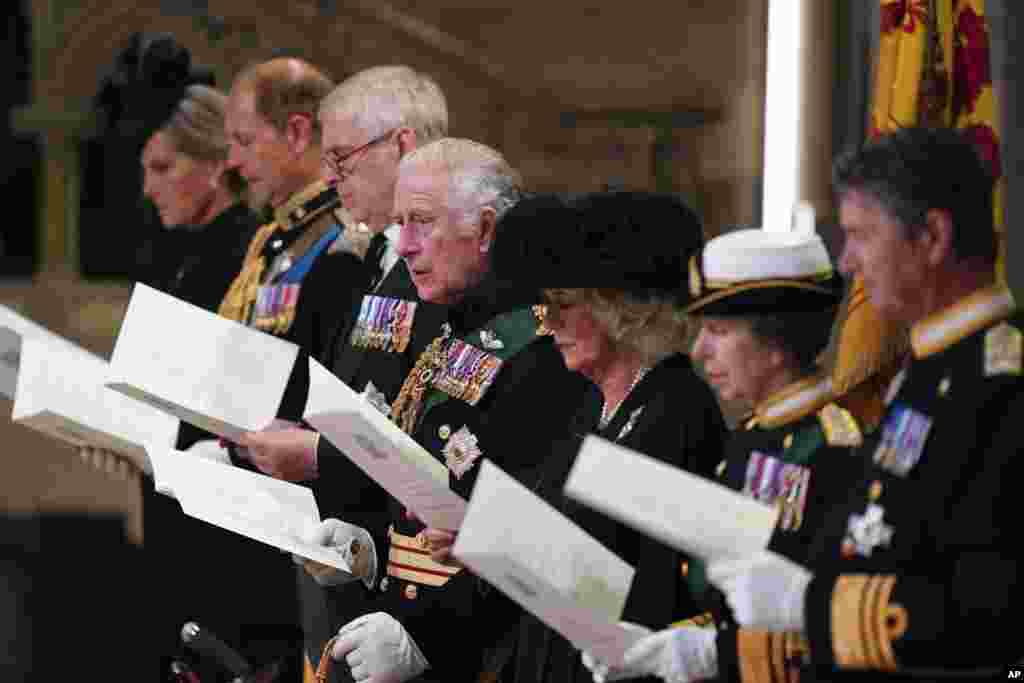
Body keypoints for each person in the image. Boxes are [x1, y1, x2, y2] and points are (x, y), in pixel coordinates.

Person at [638, 127, 1022, 682]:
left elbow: (996, 609)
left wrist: (809, 604)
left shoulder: (1004, 381)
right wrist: (712, 653)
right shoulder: (929, 370)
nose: (847, 263)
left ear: (932, 237)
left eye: (861, 236)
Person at [305, 138, 589, 682]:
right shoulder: (451, 330)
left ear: (485, 230)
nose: (404, 245)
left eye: (421, 222)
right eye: (398, 223)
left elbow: (538, 541)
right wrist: (367, 553)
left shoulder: (543, 354)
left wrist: (427, 637)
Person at [422, 190, 728, 683]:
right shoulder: (591, 403)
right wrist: (490, 544)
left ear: (623, 310)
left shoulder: (677, 410)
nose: (551, 321)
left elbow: (655, 589)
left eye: (565, 304)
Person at [236, 64, 452, 679]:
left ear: (403, 146)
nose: (329, 177)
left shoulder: (442, 270)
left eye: (343, 157)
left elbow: (434, 436)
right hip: (345, 554)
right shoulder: (369, 261)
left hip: (412, 585)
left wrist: (320, 457)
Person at [582, 223, 867, 683]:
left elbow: (827, 627)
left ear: (774, 342)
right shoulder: (752, 436)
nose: (699, 350)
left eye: (717, 331)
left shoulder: (834, 450)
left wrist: (709, 653)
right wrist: (666, 644)